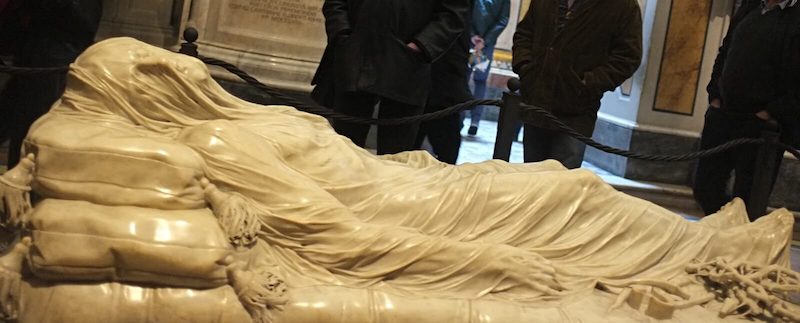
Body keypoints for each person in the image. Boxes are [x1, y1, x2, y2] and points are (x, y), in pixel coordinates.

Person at [23, 39, 795, 317]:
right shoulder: (222, 151)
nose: (179, 65)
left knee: (569, 192)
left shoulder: (233, 126)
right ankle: (694, 255)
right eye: (156, 69)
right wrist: (498, 266)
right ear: (148, 96)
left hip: (418, 179)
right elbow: (349, 235)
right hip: (432, 206)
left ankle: (699, 248)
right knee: (568, 196)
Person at [311, 0, 470, 155]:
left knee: (395, 156)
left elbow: (453, 14)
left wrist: (421, 46)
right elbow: (335, 3)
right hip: (356, 58)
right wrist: (341, 33)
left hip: (407, 67)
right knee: (344, 151)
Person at [693, 0, 799, 218]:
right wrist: (715, 94)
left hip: (762, 127)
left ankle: (736, 245)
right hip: (722, 115)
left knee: (748, 202)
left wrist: (772, 113)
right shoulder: (751, 5)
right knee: (705, 189)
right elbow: (726, 50)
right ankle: (722, 233)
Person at [512, 0, 642, 168]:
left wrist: (588, 83)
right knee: (533, 182)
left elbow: (627, 57)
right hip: (537, 104)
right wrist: (526, 67)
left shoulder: (623, 5)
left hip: (576, 111)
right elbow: (525, 33)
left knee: (563, 184)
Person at [0, 0, 102, 168]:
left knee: (32, 126)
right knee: (21, 120)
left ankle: (22, 181)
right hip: (41, 55)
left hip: (53, 57)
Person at [415, 1, 475, 164]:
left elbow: (454, 17)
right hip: (414, 71)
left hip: (443, 71)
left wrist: (420, 45)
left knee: (446, 148)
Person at [464, 0, 510, 136]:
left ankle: (473, 120)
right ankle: (463, 118)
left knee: (478, 79)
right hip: (475, 42)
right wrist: (478, 37)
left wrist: (481, 39)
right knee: (465, 77)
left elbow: (503, 19)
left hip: (480, 44)